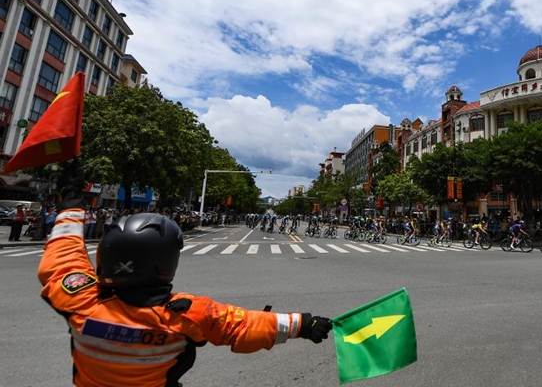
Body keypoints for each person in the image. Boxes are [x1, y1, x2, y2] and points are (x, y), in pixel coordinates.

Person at [39, 166, 332, 387]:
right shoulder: (183, 315)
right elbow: (243, 325)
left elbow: (63, 258)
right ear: (165, 262)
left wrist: (70, 208)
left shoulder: (81, 301)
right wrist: (303, 324)